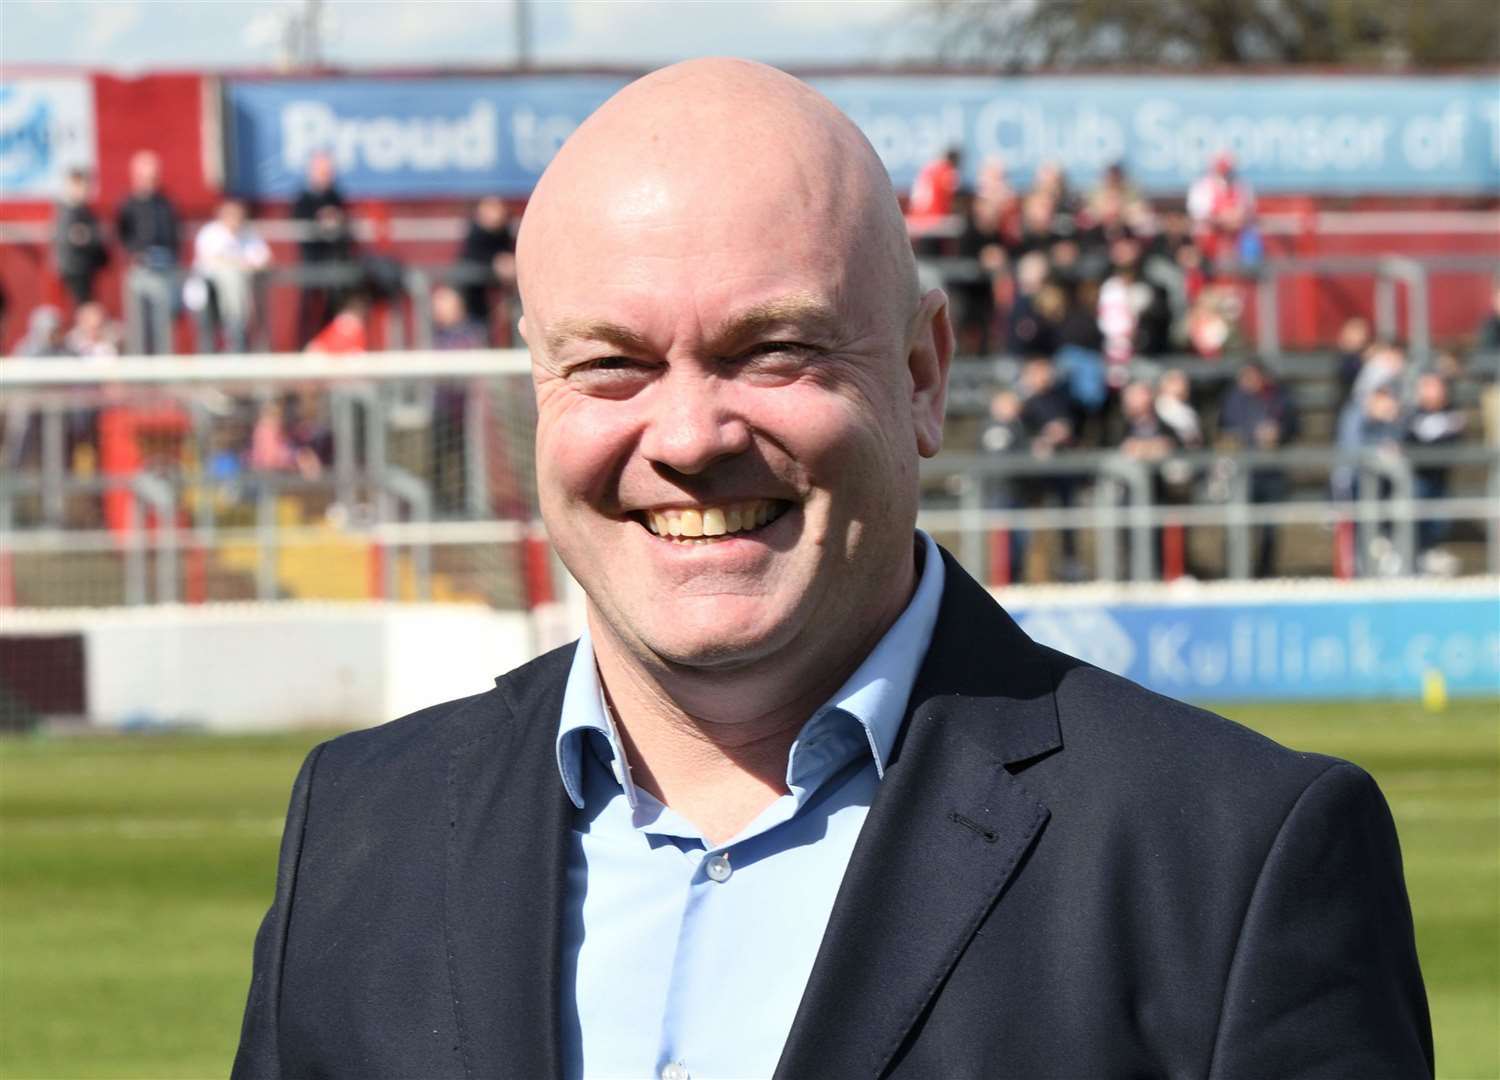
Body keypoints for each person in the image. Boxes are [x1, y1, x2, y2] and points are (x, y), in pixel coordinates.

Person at [233, 60, 1430, 1080]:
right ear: (536, 391)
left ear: (922, 375)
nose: (690, 437)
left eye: (774, 351)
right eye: (612, 367)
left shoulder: (1232, 859)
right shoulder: (358, 827)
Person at [1219, 359, 1301, 578]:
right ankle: (1236, 571)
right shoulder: (1234, 399)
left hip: (1271, 472)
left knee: (1269, 527)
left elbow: (1293, 426)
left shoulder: (1279, 397)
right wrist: (1248, 437)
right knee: (1239, 525)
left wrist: (1279, 433)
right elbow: (1226, 430)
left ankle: (1265, 571)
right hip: (1244, 472)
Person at [113, 150, 180, 353]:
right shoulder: (128, 204)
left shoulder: (165, 203)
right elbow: (122, 233)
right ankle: (140, 367)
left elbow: (173, 233)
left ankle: (164, 367)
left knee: (163, 322)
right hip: (140, 269)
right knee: (139, 322)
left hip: (164, 268)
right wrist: (133, 254)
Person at [187, 199, 271, 353]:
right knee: (208, 335)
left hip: (239, 300)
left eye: (238, 216)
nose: (235, 220)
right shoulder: (210, 233)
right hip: (208, 294)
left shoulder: (247, 234)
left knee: (236, 284)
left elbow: (265, 258)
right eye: (231, 216)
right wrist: (242, 264)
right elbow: (213, 260)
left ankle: (236, 331)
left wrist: (245, 264)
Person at [291, 152, 356, 345]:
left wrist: (336, 220)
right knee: (309, 308)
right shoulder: (303, 199)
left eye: (328, 172)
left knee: (337, 303)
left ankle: (333, 344)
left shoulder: (336, 196)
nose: (326, 176)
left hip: (335, 264)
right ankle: (304, 347)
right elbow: (301, 227)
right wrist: (320, 222)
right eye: (322, 172)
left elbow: (345, 224)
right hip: (312, 264)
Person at [456, 194, 518, 330]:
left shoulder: (504, 233)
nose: (496, 214)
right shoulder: (475, 234)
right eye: (491, 209)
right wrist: (496, 263)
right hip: (472, 297)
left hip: (498, 293)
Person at [53, 167, 108, 307]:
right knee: (84, 308)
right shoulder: (67, 211)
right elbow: (74, 237)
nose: (85, 190)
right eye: (81, 185)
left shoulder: (83, 210)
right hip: (74, 269)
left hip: (85, 267)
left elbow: (92, 235)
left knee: (88, 306)